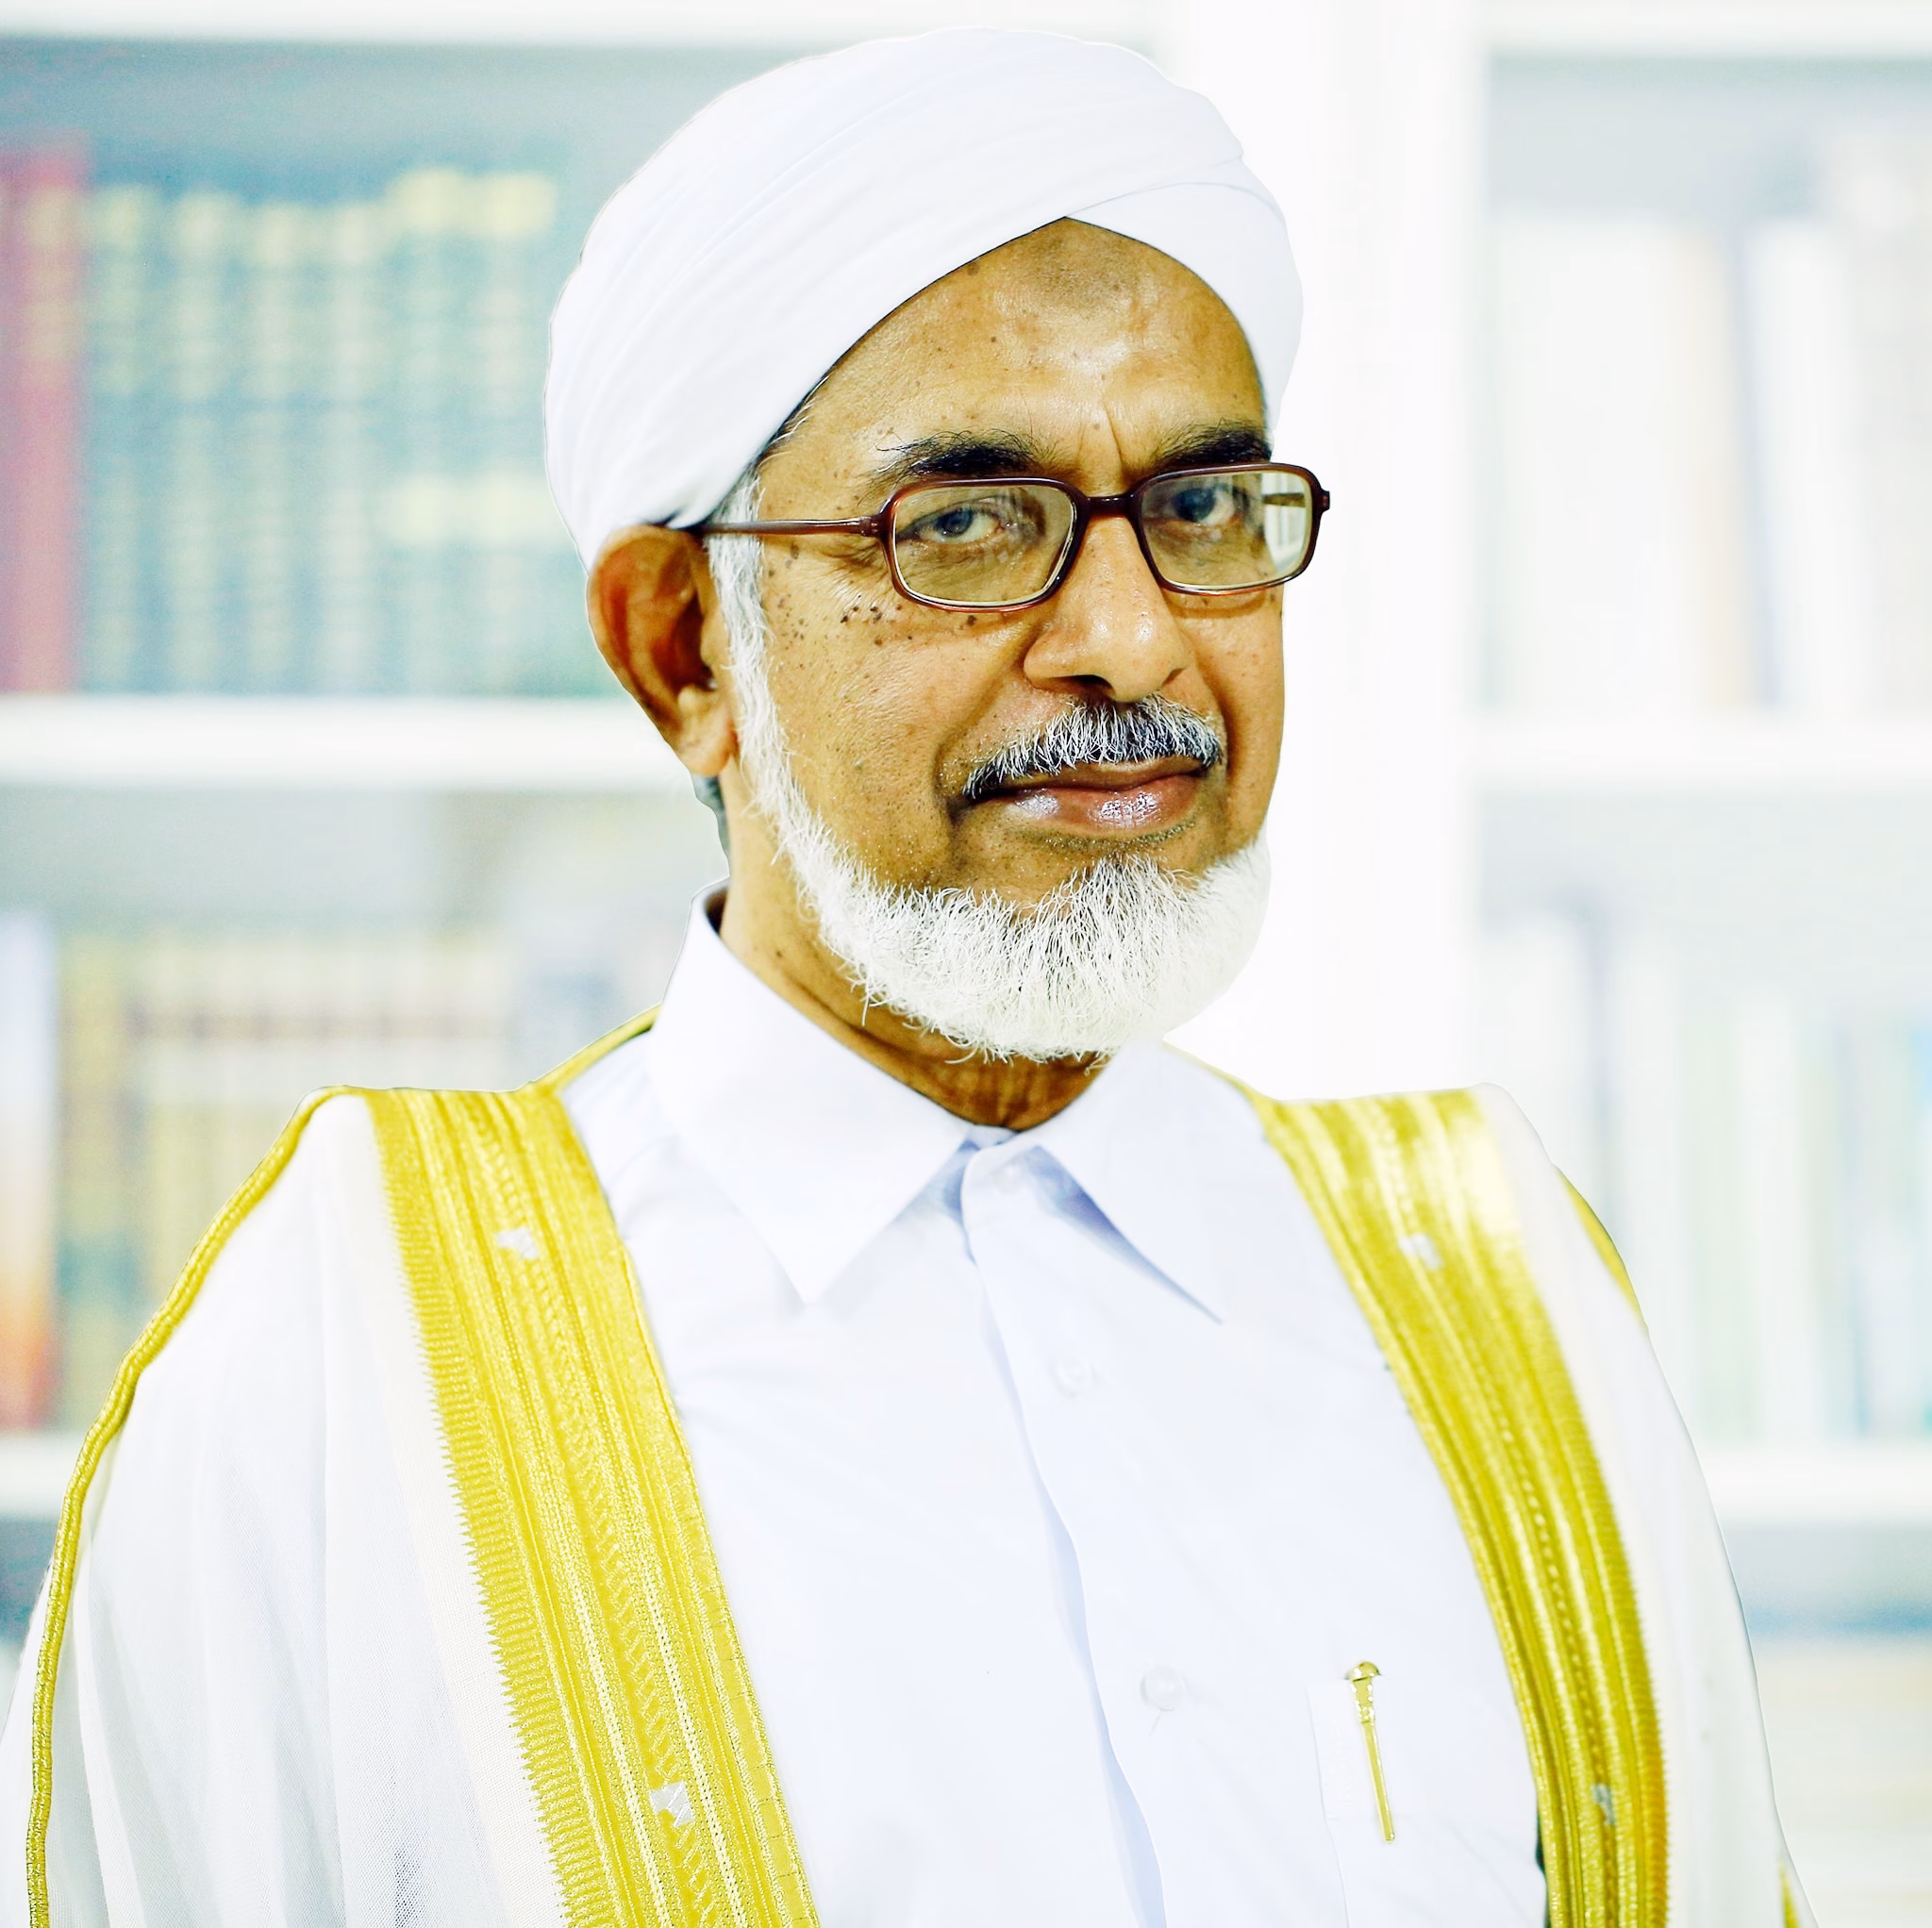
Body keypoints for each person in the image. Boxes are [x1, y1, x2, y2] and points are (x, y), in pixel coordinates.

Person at [3, 29, 1808, 1928]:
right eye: (962, 526)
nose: (1131, 640)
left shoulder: (1495, 1279)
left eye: (1202, 511)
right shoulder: (340, 1351)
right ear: (683, 647)